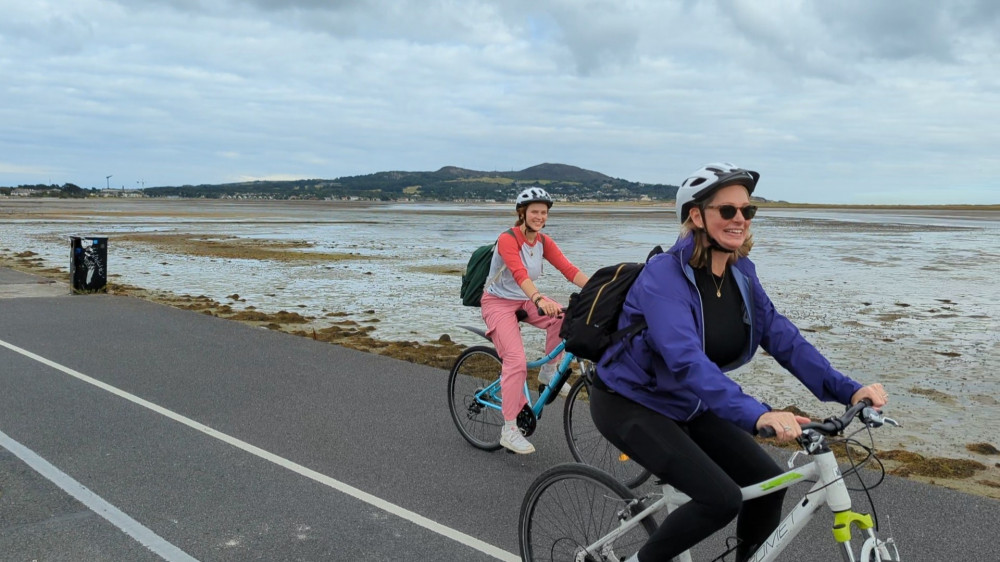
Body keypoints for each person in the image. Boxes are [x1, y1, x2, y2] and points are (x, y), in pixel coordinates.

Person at [589, 163, 890, 562]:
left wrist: (847, 389)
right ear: (696, 215)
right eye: (727, 210)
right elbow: (687, 362)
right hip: (630, 402)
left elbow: (784, 339)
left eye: (747, 211)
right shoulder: (663, 277)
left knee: (770, 482)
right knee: (720, 498)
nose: (740, 220)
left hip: (689, 401)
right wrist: (758, 415)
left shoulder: (741, 275)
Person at [481, 186, 590, 454]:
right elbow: (519, 274)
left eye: (544, 212)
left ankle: (548, 371)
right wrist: (540, 300)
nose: (540, 216)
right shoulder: (508, 239)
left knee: (563, 319)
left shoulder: (543, 241)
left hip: (524, 299)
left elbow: (569, 269)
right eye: (535, 212)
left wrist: (601, 290)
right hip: (497, 302)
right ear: (522, 213)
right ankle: (509, 429)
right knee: (516, 360)